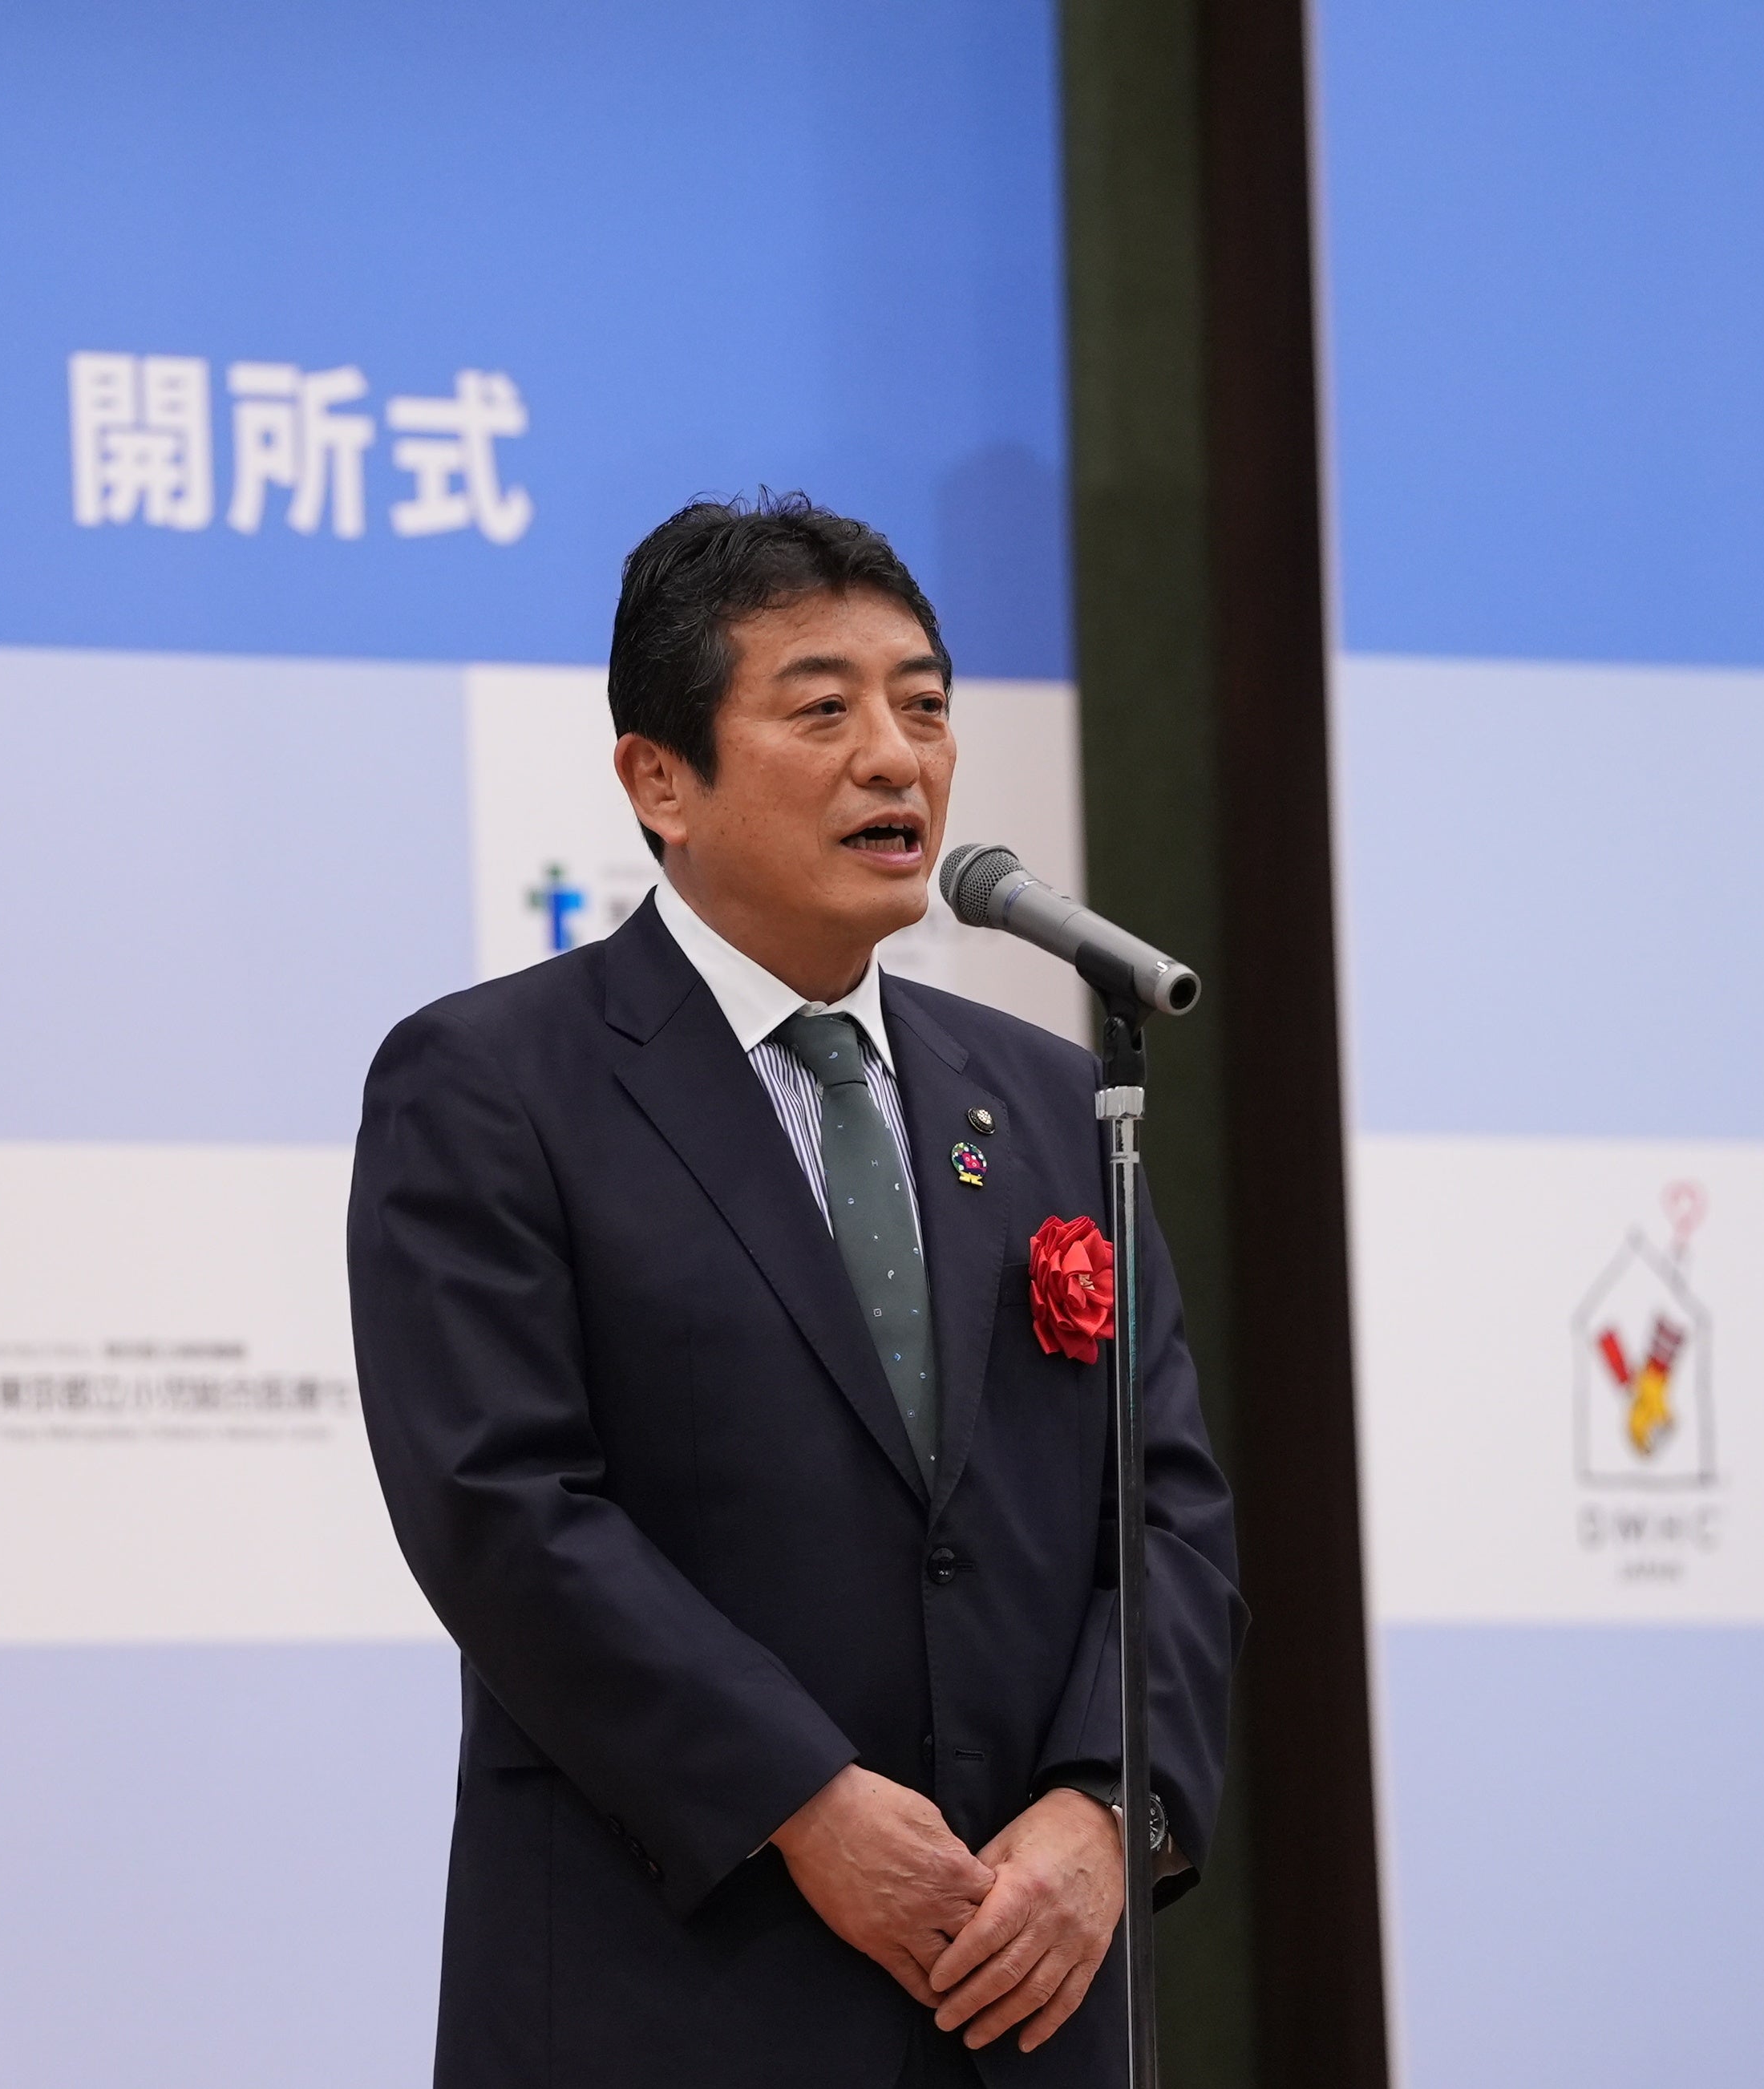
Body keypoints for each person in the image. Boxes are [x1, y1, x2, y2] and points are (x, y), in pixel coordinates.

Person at [349, 492, 1243, 2087]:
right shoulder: (494, 1085)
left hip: (1020, 1996)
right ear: (660, 778)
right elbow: (505, 1512)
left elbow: (1164, 1506)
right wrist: (803, 1802)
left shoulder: (1052, 1101)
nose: (895, 757)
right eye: (823, 711)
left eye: (924, 706)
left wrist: (1108, 1805)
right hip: (673, 1988)